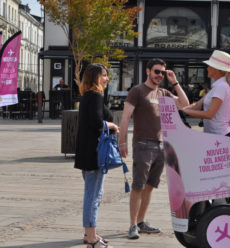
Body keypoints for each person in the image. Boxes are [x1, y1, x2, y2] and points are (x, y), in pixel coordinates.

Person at [119, 58, 189, 239]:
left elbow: (184, 104)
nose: (159, 75)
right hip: (142, 144)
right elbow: (125, 117)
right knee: (138, 186)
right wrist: (122, 141)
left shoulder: (164, 93)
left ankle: (141, 222)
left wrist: (175, 82)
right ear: (148, 71)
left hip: (161, 145)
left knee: (150, 186)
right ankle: (133, 225)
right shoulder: (137, 91)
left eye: (162, 73)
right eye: (156, 71)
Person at [74, 63, 119, 248]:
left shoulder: (89, 96)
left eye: (107, 75)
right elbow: (97, 123)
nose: (107, 78)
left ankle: (90, 233)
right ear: (94, 78)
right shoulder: (94, 96)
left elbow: (98, 118)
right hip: (94, 154)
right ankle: (91, 239)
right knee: (93, 196)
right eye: (103, 75)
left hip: (88, 153)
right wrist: (113, 126)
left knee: (94, 194)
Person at [183, 50, 230, 137]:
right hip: (215, 137)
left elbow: (209, 114)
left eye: (209, 65)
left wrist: (185, 111)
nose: (207, 68)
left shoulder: (221, 86)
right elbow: (197, 105)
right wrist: (179, 110)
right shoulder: (217, 86)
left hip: (219, 137)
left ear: (216, 68)